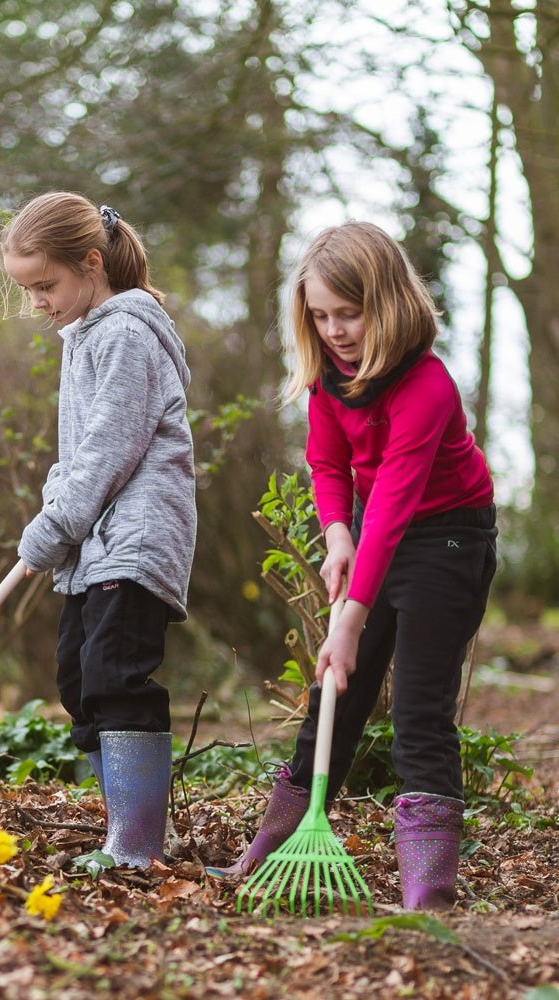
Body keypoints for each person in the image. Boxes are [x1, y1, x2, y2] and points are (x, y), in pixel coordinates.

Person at [207, 221, 497, 910]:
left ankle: (427, 892)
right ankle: (267, 852)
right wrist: (337, 534)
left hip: (448, 539)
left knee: (420, 710)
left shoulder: (426, 386)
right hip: (372, 527)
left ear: (388, 303)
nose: (335, 330)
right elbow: (328, 463)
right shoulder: (329, 379)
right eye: (320, 315)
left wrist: (350, 619)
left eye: (350, 313)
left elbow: (397, 501)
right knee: (337, 697)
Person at [0, 192, 197, 868]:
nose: (37, 303)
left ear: (90, 263)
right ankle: (123, 829)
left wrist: (54, 527)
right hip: (96, 541)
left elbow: (111, 451)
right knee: (79, 679)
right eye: (27, 291)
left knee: (114, 675)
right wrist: (53, 516)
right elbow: (75, 454)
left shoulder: (125, 334)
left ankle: (136, 846)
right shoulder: (84, 334)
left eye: (44, 285)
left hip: (134, 538)